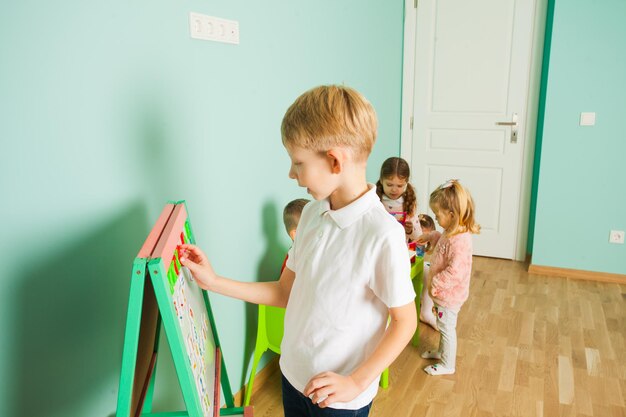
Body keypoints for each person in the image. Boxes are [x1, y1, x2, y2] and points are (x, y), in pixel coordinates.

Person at [179, 85, 417, 416]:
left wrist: (356, 382)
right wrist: (214, 281)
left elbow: (405, 322)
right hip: (293, 377)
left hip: (340, 400)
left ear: (334, 160)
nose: (292, 174)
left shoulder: (383, 235)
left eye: (298, 163)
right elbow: (284, 292)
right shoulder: (310, 214)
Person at [415, 179, 480, 376]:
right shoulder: (451, 231)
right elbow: (443, 244)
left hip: (448, 296)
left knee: (446, 329)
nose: (435, 217)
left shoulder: (460, 241)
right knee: (444, 326)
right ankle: (442, 353)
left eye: (437, 215)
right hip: (443, 294)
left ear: (451, 215)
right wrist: (431, 236)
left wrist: (435, 284)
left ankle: (447, 364)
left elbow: (455, 271)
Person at [375, 157, 422, 242]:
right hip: (379, 249)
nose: (394, 190)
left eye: (399, 186)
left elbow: (418, 236)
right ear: (381, 180)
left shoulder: (408, 202)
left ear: (406, 183)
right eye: (389, 185)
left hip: (399, 251)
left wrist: (409, 230)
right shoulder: (375, 200)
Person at [416, 213, 438, 331]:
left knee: (431, 272)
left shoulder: (427, 245)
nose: (421, 239)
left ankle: (426, 311)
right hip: (404, 268)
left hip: (417, 267)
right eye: (419, 234)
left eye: (425, 236)